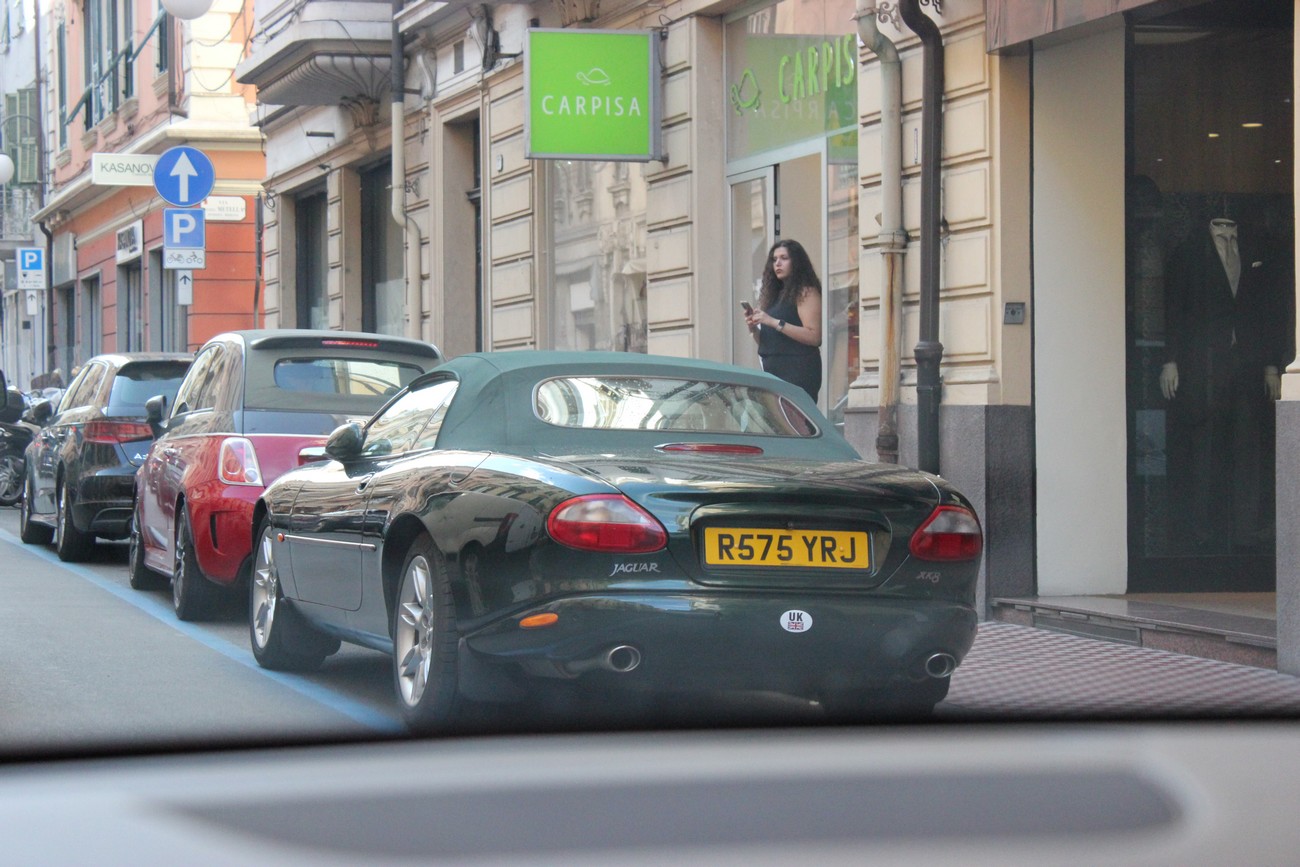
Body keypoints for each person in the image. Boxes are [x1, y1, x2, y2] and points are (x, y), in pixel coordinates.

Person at [1161, 205, 1293, 553]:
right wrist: (1170, 360)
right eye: (1220, 227)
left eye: (1231, 227)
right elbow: (1174, 307)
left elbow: (1270, 310)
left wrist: (1270, 366)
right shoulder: (1190, 254)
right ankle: (1201, 530)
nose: (1227, 233)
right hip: (1203, 368)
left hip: (1247, 367)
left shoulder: (1254, 252)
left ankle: (1245, 530)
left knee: (1247, 447)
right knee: (1204, 446)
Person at [744, 239, 823, 401]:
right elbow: (771, 342)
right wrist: (753, 328)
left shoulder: (806, 292)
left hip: (798, 370)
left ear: (796, 262)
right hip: (773, 371)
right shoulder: (775, 297)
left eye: (784, 258)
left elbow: (814, 336)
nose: (778, 263)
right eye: (774, 259)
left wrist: (773, 322)